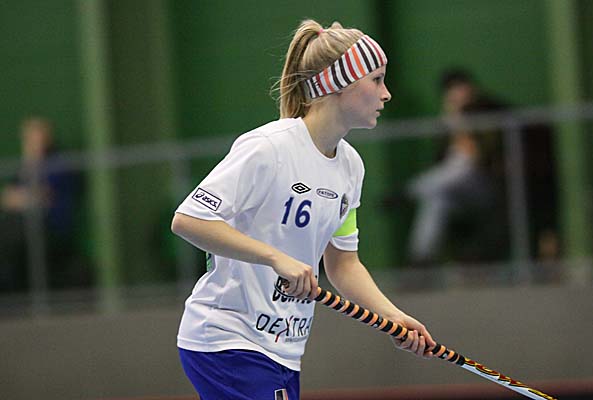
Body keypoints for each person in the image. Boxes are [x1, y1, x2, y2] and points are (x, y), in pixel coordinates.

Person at [171, 19, 436, 400]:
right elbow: (189, 220)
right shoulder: (269, 147)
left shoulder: (351, 167)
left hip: (284, 348)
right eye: (376, 80)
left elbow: (343, 264)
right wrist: (275, 258)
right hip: (228, 339)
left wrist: (391, 315)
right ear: (339, 84)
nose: (387, 93)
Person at [404, 69, 509, 265]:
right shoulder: (447, 120)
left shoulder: (489, 110)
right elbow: (440, 159)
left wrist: (464, 122)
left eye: (461, 87)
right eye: (452, 90)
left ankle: (409, 191)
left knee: (461, 169)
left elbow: (481, 155)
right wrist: (451, 122)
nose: (458, 93)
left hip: (486, 185)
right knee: (436, 200)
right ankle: (420, 261)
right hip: (455, 190)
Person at [0, 117, 83, 291]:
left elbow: (40, 197)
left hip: (51, 229)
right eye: (30, 138)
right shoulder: (26, 165)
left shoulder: (59, 164)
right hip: (22, 227)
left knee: (15, 228)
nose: (34, 142)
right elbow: (6, 198)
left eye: (39, 136)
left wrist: (23, 198)